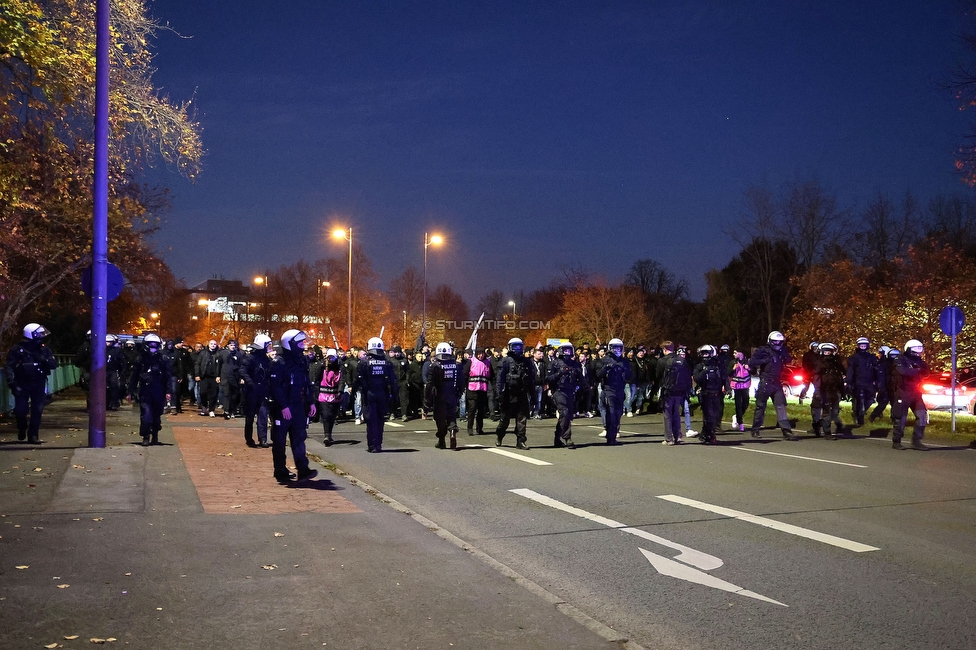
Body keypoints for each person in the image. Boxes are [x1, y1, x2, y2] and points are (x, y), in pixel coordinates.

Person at [269, 329, 318, 484]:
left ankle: (303, 470)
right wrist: (283, 406)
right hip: (282, 408)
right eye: (300, 342)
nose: (303, 345)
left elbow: (306, 382)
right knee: (279, 441)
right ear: (290, 344)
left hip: (297, 405)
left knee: (299, 438)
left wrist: (310, 402)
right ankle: (280, 470)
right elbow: (275, 387)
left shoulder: (301, 361)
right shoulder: (278, 362)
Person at [5, 323, 58, 444]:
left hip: (39, 382)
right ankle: (22, 427)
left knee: (37, 410)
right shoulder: (18, 349)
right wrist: (11, 381)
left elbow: (54, 365)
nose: (41, 336)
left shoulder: (44, 349)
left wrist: (43, 359)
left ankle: (33, 435)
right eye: (38, 334)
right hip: (22, 383)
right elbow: (9, 366)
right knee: (20, 410)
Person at [749, 331, 797, 440]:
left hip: (777, 382)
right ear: (770, 341)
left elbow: (788, 359)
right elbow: (752, 362)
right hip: (765, 381)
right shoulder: (763, 350)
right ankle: (755, 430)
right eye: (775, 341)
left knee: (781, 406)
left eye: (779, 341)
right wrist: (764, 360)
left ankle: (786, 431)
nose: (777, 343)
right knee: (760, 406)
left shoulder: (782, 351)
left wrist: (784, 356)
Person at [126, 334, 171, 446]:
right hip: (145, 391)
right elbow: (134, 376)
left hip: (158, 390)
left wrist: (168, 391)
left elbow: (167, 376)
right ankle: (146, 436)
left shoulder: (163, 359)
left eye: (155, 345)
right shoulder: (140, 358)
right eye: (151, 345)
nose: (153, 347)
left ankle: (155, 435)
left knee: (156, 415)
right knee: (146, 415)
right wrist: (130, 392)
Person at [358, 337, 399, 453]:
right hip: (383, 393)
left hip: (369, 393)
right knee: (380, 419)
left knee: (371, 420)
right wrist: (395, 395)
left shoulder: (364, 361)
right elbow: (393, 380)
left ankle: (372, 445)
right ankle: (378, 444)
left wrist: (363, 390)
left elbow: (360, 379)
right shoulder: (387, 362)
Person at [495, 337, 535, 450]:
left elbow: (531, 380)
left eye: (519, 347)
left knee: (522, 420)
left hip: (522, 394)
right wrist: (499, 395)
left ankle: (520, 440)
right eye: (515, 347)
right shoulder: (505, 361)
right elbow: (499, 380)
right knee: (504, 421)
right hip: (508, 395)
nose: (517, 349)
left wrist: (533, 396)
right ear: (510, 348)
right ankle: (499, 435)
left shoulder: (527, 362)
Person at [891, 339, 930, 450]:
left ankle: (916, 441)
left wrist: (916, 369)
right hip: (903, 391)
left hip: (916, 392)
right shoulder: (900, 359)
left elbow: (926, 373)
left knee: (922, 416)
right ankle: (897, 441)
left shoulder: (920, 361)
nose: (918, 353)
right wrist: (917, 370)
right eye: (915, 350)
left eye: (919, 350)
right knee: (901, 418)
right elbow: (903, 371)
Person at [546, 342, 585, 449]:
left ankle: (557, 437)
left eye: (569, 350)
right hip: (558, 391)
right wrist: (560, 373)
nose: (568, 353)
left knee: (566, 416)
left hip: (570, 391)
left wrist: (584, 388)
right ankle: (567, 438)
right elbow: (548, 379)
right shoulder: (554, 363)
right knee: (564, 412)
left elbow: (581, 378)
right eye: (565, 350)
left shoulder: (575, 364)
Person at [425, 342, 461, 449]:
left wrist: (427, 402)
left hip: (439, 395)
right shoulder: (457, 365)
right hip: (452, 394)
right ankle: (453, 431)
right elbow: (461, 382)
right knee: (451, 415)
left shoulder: (435, 366)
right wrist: (458, 394)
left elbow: (429, 385)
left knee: (439, 418)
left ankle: (441, 439)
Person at [240, 334, 273, 448]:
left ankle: (263, 438)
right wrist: (250, 382)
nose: (269, 347)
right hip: (251, 390)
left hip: (263, 390)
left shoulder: (266, 358)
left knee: (263, 415)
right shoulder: (250, 357)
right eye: (267, 344)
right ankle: (249, 438)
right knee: (249, 416)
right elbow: (242, 370)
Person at [597, 338, 630, 445]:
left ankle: (613, 433)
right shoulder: (605, 360)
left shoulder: (624, 361)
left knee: (618, 412)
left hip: (620, 389)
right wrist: (607, 368)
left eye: (619, 348)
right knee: (611, 413)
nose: (617, 350)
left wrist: (626, 370)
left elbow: (631, 376)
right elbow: (598, 375)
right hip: (608, 389)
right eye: (615, 348)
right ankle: (611, 437)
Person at [657, 340, 692, 445]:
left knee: (667, 414)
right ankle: (678, 436)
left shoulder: (662, 361)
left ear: (664, 349)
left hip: (667, 390)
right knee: (676, 412)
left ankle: (669, 438)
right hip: (679, 390)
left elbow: (658, 375)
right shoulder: (682, 360)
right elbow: (687, 375)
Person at [812, 343, 846, 440]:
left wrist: (843, 392)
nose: (828, 353)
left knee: (835, 412)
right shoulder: (819, 363)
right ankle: (827, 433)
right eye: (826, 351)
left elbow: (840, 377)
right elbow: (816, 379)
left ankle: (818, 424)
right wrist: (818, 392)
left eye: (829, 351)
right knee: (826, 412)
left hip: (834, 390)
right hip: (823, 390)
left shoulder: (836, 363)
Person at [693, 345, 725, 444]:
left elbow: (723, 377)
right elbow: (697, 378)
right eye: (703, 353)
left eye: (707, 353)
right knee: (709, 415)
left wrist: (726, 388)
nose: (705, 356)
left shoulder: (718, 365)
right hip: (705, 393)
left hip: (717, 393)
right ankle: (711, 435)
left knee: (714, 415)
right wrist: (704, 371)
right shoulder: (699, 366)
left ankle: (705, 434)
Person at [312, 347, 344, 446]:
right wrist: (317, 394)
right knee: (326, 416)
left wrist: (340, 391)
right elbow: (317, 381)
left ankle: (329, 434)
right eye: (329, 358)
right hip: (324, 395)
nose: (331, 360)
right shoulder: (322, 367)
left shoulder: (339, 367)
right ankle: (326, 435)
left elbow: (342, 380)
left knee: (332, 417)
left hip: (335, 396)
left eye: (332, 358)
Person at [846, 336, 880, 426]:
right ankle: (859, 418)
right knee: (859, 400)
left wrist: (877, 381)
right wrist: (849, 382)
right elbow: (850, 370)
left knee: (870, 400)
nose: (863, 346)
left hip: (869, 382)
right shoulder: (853, 358)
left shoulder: (872, 357)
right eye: (861, 345)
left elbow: (876, 370)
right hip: (858, 382)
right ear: (858, 346)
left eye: (865, 345)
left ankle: (858, 413)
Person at [465, 347, 490, 436]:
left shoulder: (487, 362)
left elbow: (491, 376)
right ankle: (470, 428)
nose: (480, 356)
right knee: (472, 409)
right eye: (479, 354)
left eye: (482, 354)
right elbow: (465, 374)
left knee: (481, 411)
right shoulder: (471, 361)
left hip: (482, 390)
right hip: (472, 390)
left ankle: (479, 428)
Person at [195, 340, 221, 417]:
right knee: (203, 393)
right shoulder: (203, 353)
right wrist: (197, 374)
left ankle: (211, 409)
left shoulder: (218, 354)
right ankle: (204, 406)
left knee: (214, 394)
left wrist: (219, 376)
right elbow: (198, 364)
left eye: (214, 344)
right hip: (204, 376)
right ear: (208, 345)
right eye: (211, 344)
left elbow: (220, 366)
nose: (213, 345)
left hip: (214, 377)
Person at [219, 339, 244, 419]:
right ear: (228, 346)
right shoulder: (223, 353)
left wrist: (241, 377)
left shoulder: (239, 354)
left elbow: (241, 366)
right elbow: (219, 365)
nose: (232, 347)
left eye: (234, 345)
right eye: (231, 345)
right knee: (226, 393)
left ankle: (232, 410)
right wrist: (218, 375)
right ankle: (226, 410)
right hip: (225, 376)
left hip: (235, 377)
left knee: (234, 395)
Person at [728, 349, 752, 431]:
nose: (734, 354)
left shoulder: (748, 361)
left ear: (740, 353)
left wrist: (749, 368)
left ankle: (737, 416)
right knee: (738, 404)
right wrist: (733, 369)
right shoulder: (733, 362)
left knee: (746, 402)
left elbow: (754, 371)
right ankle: (740, 422)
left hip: (745, 386)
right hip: (737, 386)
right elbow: (728, 373)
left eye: (735, 353)